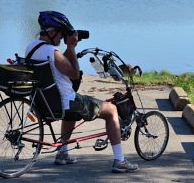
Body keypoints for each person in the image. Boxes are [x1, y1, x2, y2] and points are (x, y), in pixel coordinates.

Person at [25, 11, 138, 173]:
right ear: (52, 32)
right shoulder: (52, 52)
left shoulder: (32, 48)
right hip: (66, 101)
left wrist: (69, 50)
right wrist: (71, 47)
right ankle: (120, 160)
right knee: (111, 110)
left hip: (47, 102)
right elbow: (74, 73)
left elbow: (58, 66)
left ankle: (63, 153)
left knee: (70, 111)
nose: (61, 39)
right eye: (61, 34)